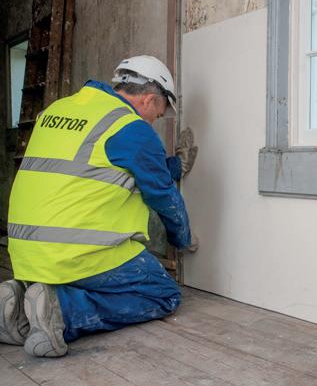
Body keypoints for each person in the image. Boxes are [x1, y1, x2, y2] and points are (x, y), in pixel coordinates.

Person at [0, 55, 198, 357]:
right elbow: (163, 196)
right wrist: (182, 239)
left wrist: (173, 166)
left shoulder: (59, 109)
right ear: (148, 99)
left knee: (90, 282)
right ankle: (62, 311)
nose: (153, 122)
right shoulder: (129, 126)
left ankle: (20, 303)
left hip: (26, 252)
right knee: (162, 293)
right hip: (75, 253)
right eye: (157, 115)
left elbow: (103, 165)